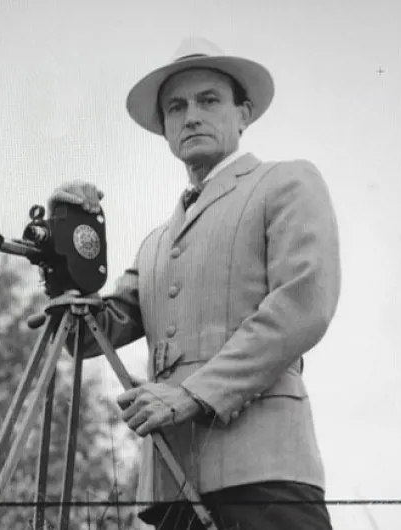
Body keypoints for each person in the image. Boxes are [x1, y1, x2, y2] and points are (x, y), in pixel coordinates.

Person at [42, 36, 342, 529]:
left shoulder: (286, 182)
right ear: (164, 129)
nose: (192, 116)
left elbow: (303, 306)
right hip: (172, 482)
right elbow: (85, 335)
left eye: (208, 101)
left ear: (243, 114)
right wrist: (65, 246)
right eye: (176, 107)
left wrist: (191, 394)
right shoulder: (156, 243)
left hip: (264, 473)